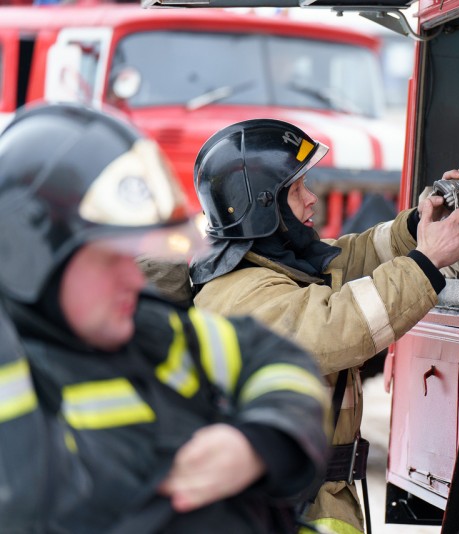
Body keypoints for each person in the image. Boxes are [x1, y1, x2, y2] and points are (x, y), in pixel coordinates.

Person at [0, 103, 330, 533]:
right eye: (111, 258)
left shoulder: (147, 330)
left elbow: (273, 356)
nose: (133, 278)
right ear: (29, 258)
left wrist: (257, 444)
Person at [188, 118, 459, 534]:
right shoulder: (243, 295)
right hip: (293, 510)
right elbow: (340, 324)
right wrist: (427, 261)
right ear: (262, 205)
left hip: (306, 498)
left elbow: (350, 258)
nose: (313, 200)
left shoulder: (273, 265)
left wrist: (418, 226)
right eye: (296, 191)